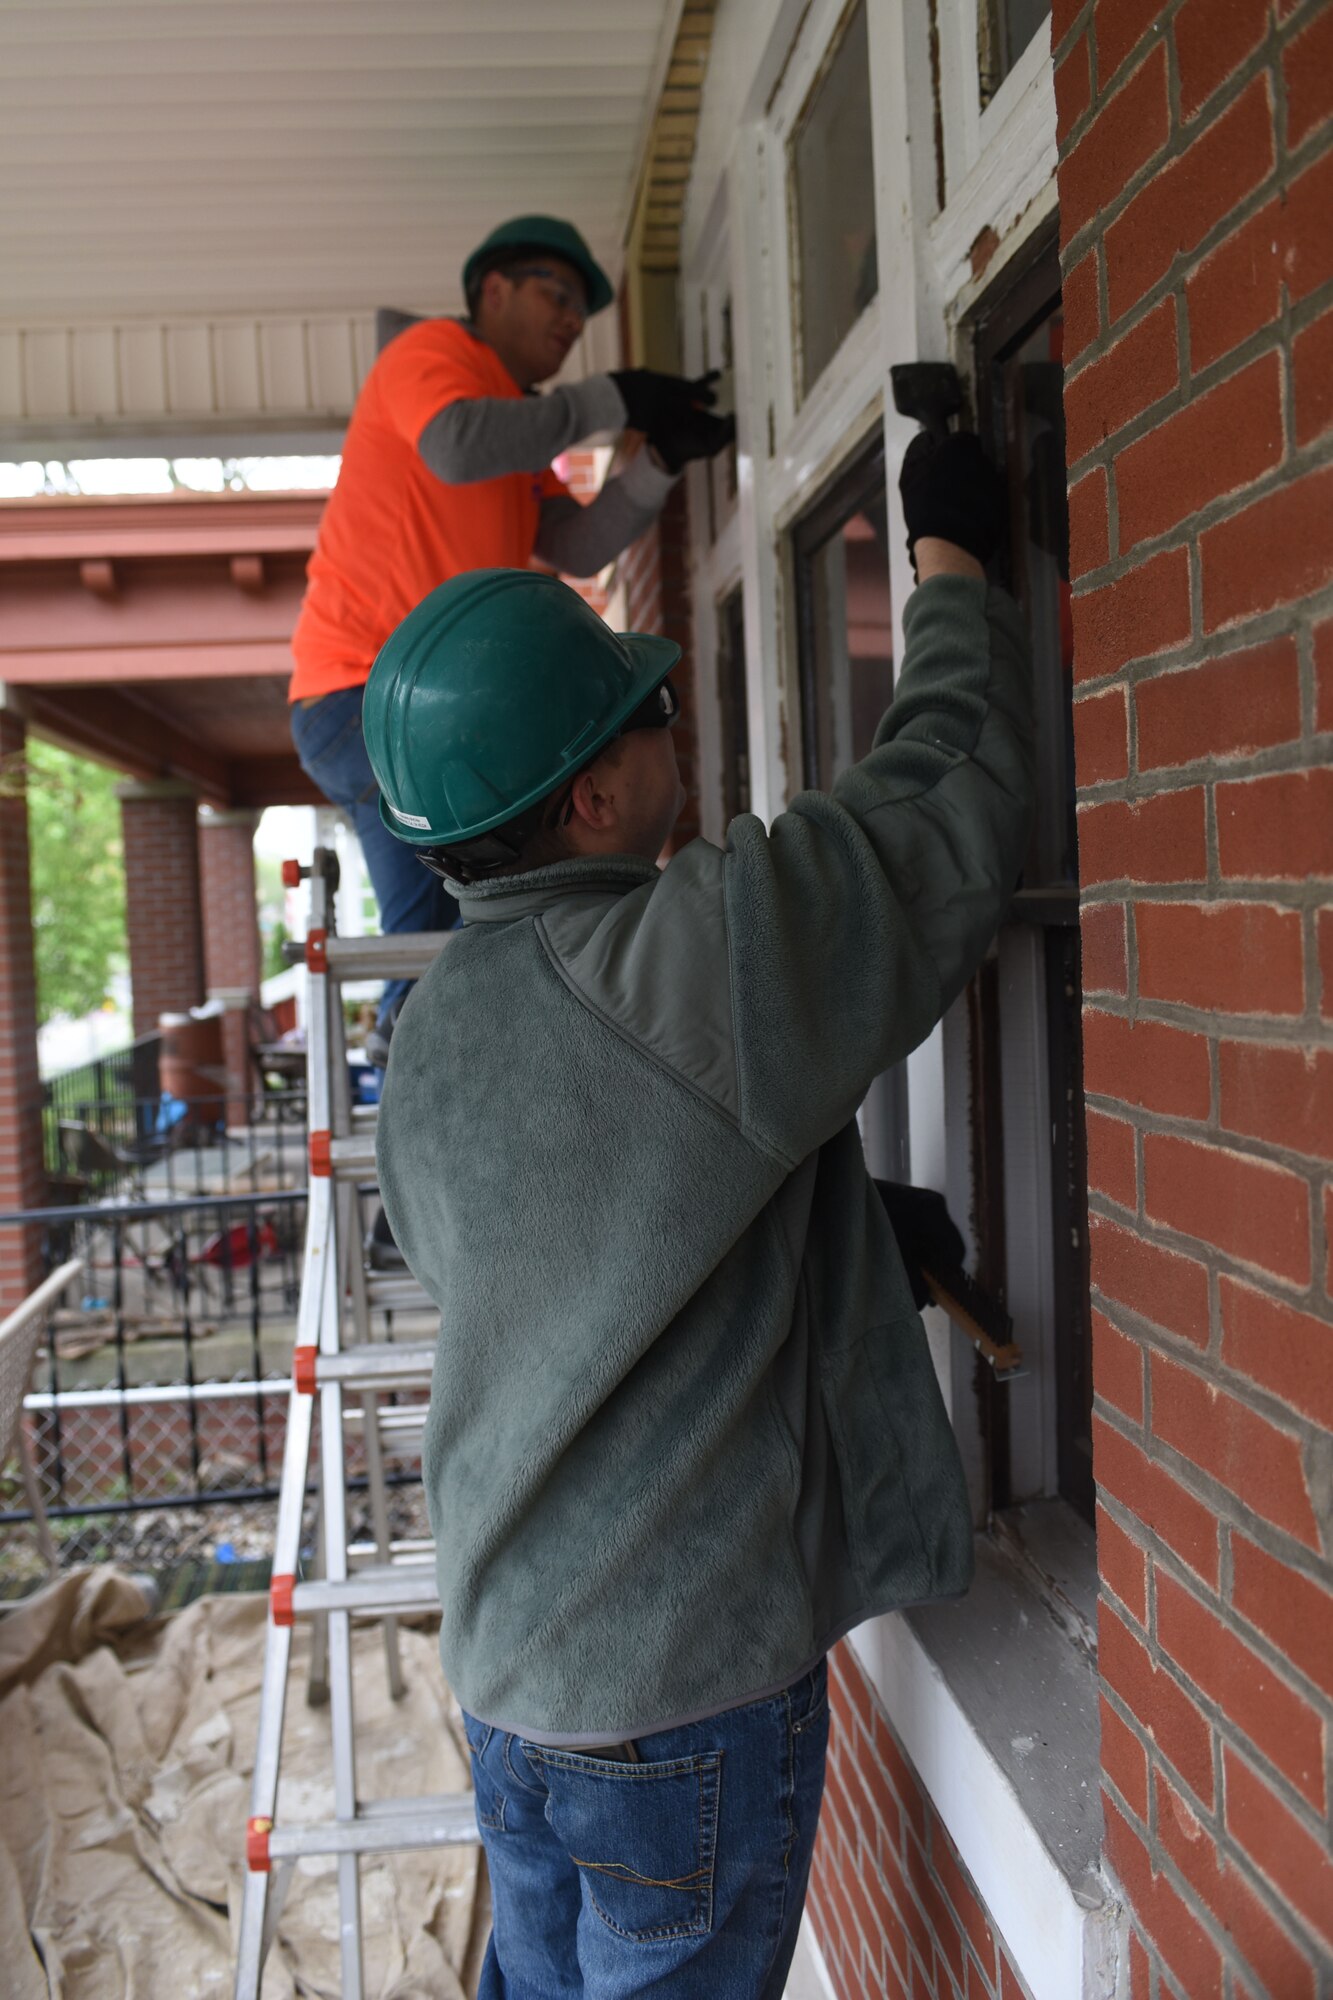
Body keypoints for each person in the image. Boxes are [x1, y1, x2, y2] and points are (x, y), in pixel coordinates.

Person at [363, 431, 1031, 1998]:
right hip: (673, 1708)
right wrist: (948, 564)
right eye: (651, 708)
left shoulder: (442, 1032)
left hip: (518, 1683)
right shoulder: (690, 959)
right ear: (597, 791)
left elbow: (542, 1256)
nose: (681, 718)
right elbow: (950, 801)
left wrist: (810, 1216)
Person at [288, 213, 732, 1058]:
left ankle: (428, 1059)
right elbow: (454, 448)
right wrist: (609, 401)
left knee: (466, 932)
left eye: (580, 309)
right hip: (359, 694)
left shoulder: (516, 421)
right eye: (554, 294)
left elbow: (574, 544)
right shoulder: (432, 358)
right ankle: (421, 1071)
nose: (571, 321)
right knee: (446, 946)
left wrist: (659, 459)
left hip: (422, 707)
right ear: (490, 292)